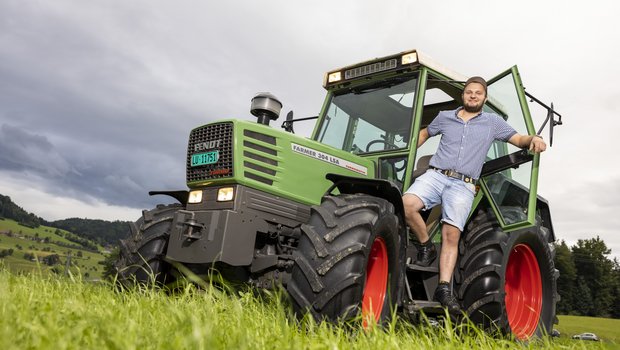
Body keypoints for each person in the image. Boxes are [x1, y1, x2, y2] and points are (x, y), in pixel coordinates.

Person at [402, 76, 547, 313]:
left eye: (478, 93)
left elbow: (519, 139)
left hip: (463, 184)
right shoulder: (445, 117)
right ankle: (426, 246)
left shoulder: (492, 122)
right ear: (464, 95)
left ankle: (444, 288)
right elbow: (425, 133)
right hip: (436, 175)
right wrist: (410, 146)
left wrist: (535, 139)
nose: (473, 96)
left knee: (451, 235)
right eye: (469, 92)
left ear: (484, 97)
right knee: (407, 204)